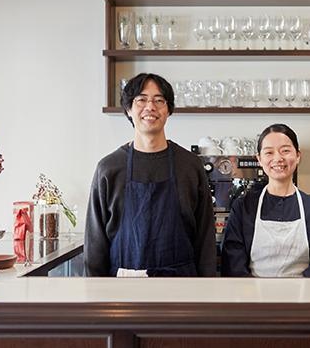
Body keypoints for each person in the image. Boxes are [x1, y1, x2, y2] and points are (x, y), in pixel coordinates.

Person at [84, 73, 216, 277]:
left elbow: (205, 236)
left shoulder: (189, 165)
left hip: (182, 287)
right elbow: (95, 244)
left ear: (169, 110)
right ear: (128, 109)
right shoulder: (109, 169)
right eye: (141, 99)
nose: (150, 107)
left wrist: (207, 289)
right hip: (121, 291)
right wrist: (95, 298)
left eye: (159, 100)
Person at [221, 124, 310, 277]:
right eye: (269, 152)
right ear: (259, 159)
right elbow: (233, 263)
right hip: (253, 297)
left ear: (298, 155)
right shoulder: (243, 207)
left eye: (285, 151)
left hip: (303, 296)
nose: (278, 158)